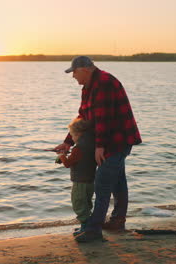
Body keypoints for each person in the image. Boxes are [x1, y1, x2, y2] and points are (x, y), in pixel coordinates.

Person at [55, 56, 142, 242]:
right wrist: (68, 142)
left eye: (74, 72)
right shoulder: (88, 87)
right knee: (118, 181)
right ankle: (118, 221)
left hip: (118, 140)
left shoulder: (104, 83)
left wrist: (100, 147)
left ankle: (94, 229)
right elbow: (83, 117)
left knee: (102, 182)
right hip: (107, 140)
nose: (73, 77)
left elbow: (104, 119)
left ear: (85, 69)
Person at [56, 118, 96, 236]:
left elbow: (68, 164)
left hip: (80, 182)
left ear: (78, 134)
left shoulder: (78, 148)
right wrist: (64, 157)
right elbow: (76, 159)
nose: (72, 139)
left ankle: (85, 227)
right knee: (87, 203)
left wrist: (61, 155)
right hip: (90, 181)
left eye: (72, 136)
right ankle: (88, 225)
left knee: (78, 203)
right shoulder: (91, 145)